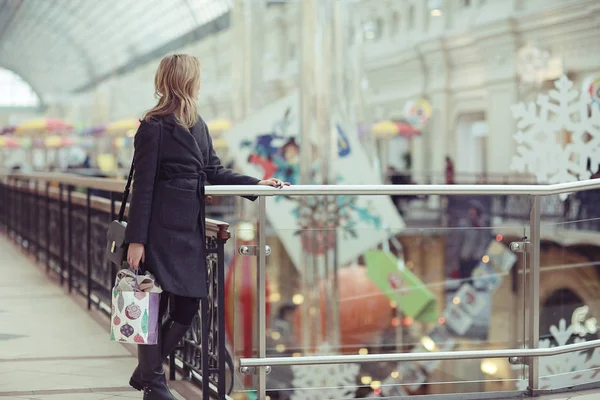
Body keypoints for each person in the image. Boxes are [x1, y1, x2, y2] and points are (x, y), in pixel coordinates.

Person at [124, 54, 289, 399]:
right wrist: (136, 240)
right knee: (155, 305)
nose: (201, 83)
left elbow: (213, 170)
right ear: (186, 81)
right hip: (159, 230)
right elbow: (143, 187)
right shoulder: (153, 126)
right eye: (197, 77)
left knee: (188, 305)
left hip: (189, 229)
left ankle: (146, 371)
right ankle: (154, 384)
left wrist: (255, 184)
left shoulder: (198, 125)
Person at [458, 200, 490, 283]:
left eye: (473, 214)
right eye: (470, 214)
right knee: (464, 280)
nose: (471, 216)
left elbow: (484, 242)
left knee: (474, 280)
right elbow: (459, 240)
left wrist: (478, 256)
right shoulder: (463, 224)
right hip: (464, 257)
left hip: (476, 259)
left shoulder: (482, 227)